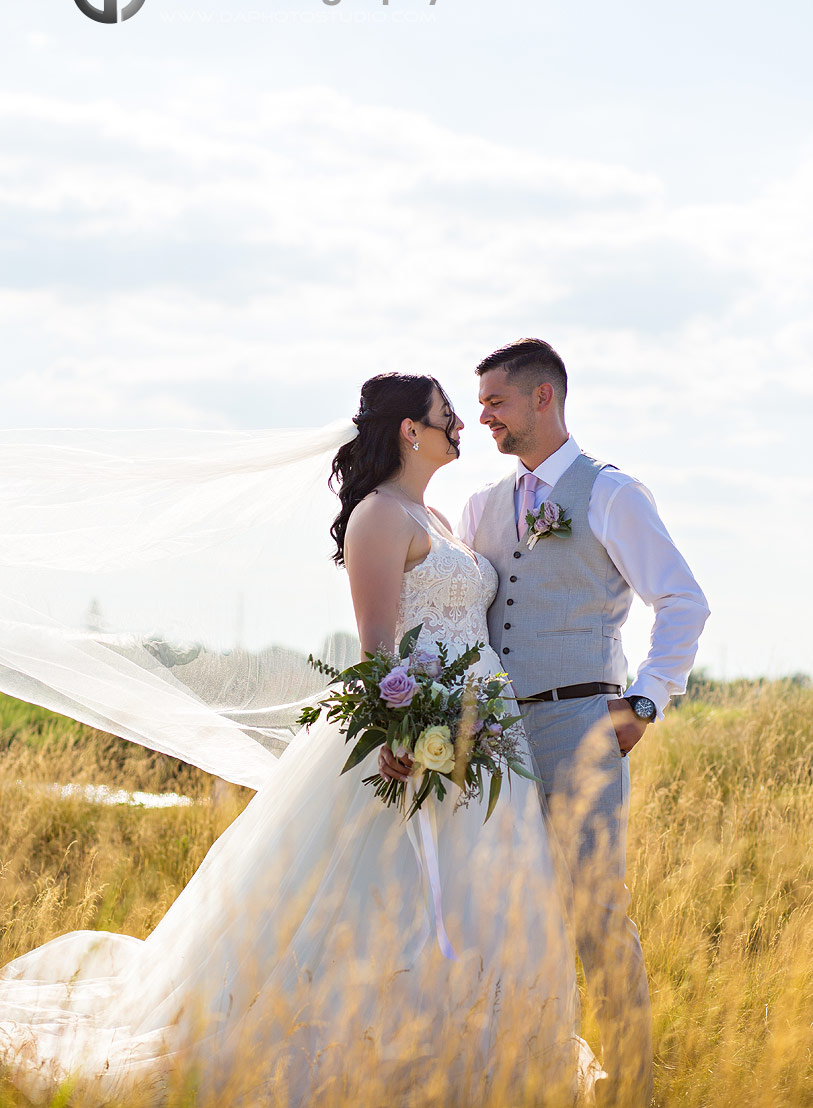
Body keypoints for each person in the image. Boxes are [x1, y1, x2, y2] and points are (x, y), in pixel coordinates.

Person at [0, 372, 595, 1107]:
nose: (461, 427)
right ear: (411, 430)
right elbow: (379, 647)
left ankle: (472, 1059)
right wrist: (403, 731)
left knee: (481, 900)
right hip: (416, 737)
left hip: (481, 738)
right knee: (385, 901)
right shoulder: (379, 516)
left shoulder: (435, 515)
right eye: (447, 417)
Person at [459, 339, 710, 1107]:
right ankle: (522, 1071)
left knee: (595, 911)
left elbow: (682, 602)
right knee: (501, 908)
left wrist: (644, 702)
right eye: (478, 406)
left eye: (495, 402)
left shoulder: (611, 492)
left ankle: (631, 1086)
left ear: (543, 398)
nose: (483, 418)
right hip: (499, 737)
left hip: (583, 723)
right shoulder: (477, 506)